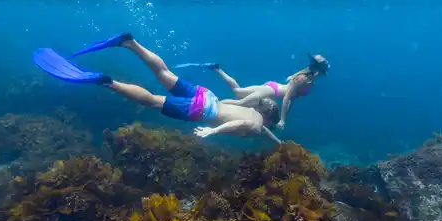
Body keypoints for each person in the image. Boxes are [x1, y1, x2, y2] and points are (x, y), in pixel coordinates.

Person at [32, 32, 282, 144]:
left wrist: (278, 141)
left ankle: (130, 43)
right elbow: (241, 126)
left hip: (208, 96)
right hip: (202, 112)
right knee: (151, 100)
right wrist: (212, 133)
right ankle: (107, 81)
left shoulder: (254, 114)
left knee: (164, 73)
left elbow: (256, 126)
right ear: (268, 120)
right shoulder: (256, 125)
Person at [208, 54, 329, 130]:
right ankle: (215, 103)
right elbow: (287, 98)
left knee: (237, 91)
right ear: (319, 69)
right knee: (241, 103)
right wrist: (283, 119)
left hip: (272, 87)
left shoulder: (309, 77)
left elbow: (291, 95)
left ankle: (216, 69)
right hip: (271, 92)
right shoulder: (303, 78)